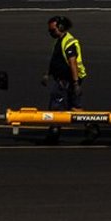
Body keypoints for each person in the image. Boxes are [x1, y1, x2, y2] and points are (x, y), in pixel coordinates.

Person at [42, 16, 88, 144]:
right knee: (74, 107)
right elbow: (56, 60)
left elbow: (72, 63)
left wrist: (75, 83)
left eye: (52, 30)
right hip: (65, 79)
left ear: (61, 28)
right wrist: (48, 74)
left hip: (67, 80)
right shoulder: (59, 41)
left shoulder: (69, 43)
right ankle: (91, 127)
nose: (51, 33)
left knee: (57, 107)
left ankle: (54, 134)